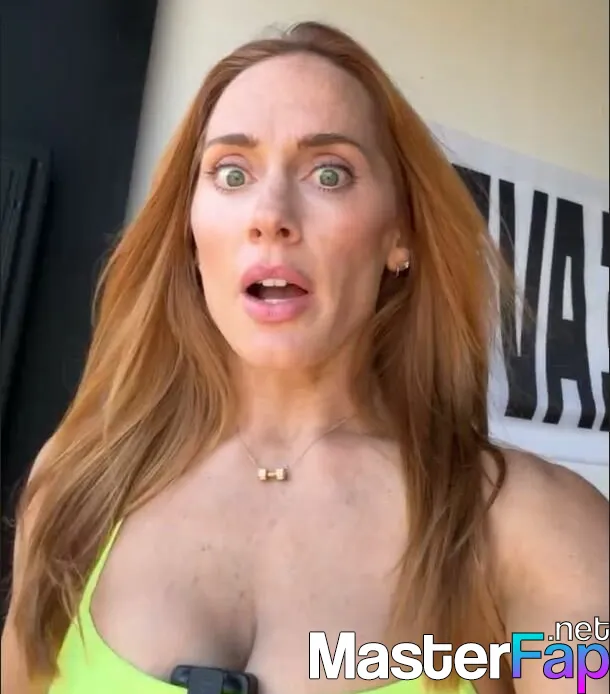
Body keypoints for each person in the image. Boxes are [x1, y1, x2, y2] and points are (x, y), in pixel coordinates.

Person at [1, 19, 608, 694]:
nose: (270, 214)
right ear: (190, 231)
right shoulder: (78, 483)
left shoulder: (539, 531)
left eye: (329, 173)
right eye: (232, 173)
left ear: (400, 236)